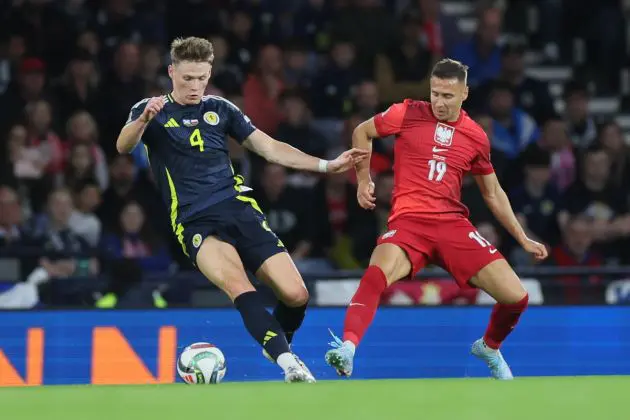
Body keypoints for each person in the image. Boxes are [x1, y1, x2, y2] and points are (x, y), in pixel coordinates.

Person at [116, 37, 367, 384]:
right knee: (239, 285)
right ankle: (288, 363)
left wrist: (327, 166)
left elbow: (270, 148)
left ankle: (276, 342)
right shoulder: (151, 109)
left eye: (201, 77)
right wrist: (143, 119)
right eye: (187, 78)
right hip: (194, 220)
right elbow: (123, 145)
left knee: (296, 295)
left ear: (209, 74)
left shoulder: (221, 109)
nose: (194, 86)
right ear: (172, 72)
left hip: (239, 209)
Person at [325, 59, 548, 380]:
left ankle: (489, 346)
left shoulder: (475, 136)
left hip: (452, 226)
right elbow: (363, 131)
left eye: (447, 96)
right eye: (435, 94)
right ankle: (347, 348)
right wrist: (363, 180)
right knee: (375, 275)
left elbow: (493, 192)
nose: (439, 103)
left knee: (516, 297)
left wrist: (522, 237)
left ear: (464, 94)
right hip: (409, 223)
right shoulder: (407, 112)